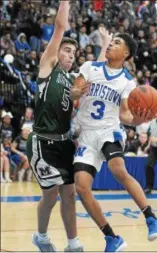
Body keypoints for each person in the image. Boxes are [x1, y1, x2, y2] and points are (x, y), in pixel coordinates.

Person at [70, 32, 157, 252]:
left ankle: (151, 219)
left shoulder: (126, 81)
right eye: (110, 42)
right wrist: (75, 92)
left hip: (109, 131)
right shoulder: (90, 67)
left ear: (126, 53)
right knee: (82, 187)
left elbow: (124, 115)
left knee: (118, 170)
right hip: (86, 135)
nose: (110, 45)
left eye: (116, 44)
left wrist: (137, 120)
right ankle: (112, 237)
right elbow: (73, 94)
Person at [26, 1, 83, 252]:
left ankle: (73, 244)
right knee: (50, 195)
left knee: (69, 195)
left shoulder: (71, 82)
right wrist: (65, 3)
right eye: (67, 51)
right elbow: (60, 27)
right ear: (56, 51)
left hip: (63, 143)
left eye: (74, 54)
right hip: (42, 141)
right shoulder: (48, 65)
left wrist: (105, 47)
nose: (71, 56)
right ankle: (40, 236)